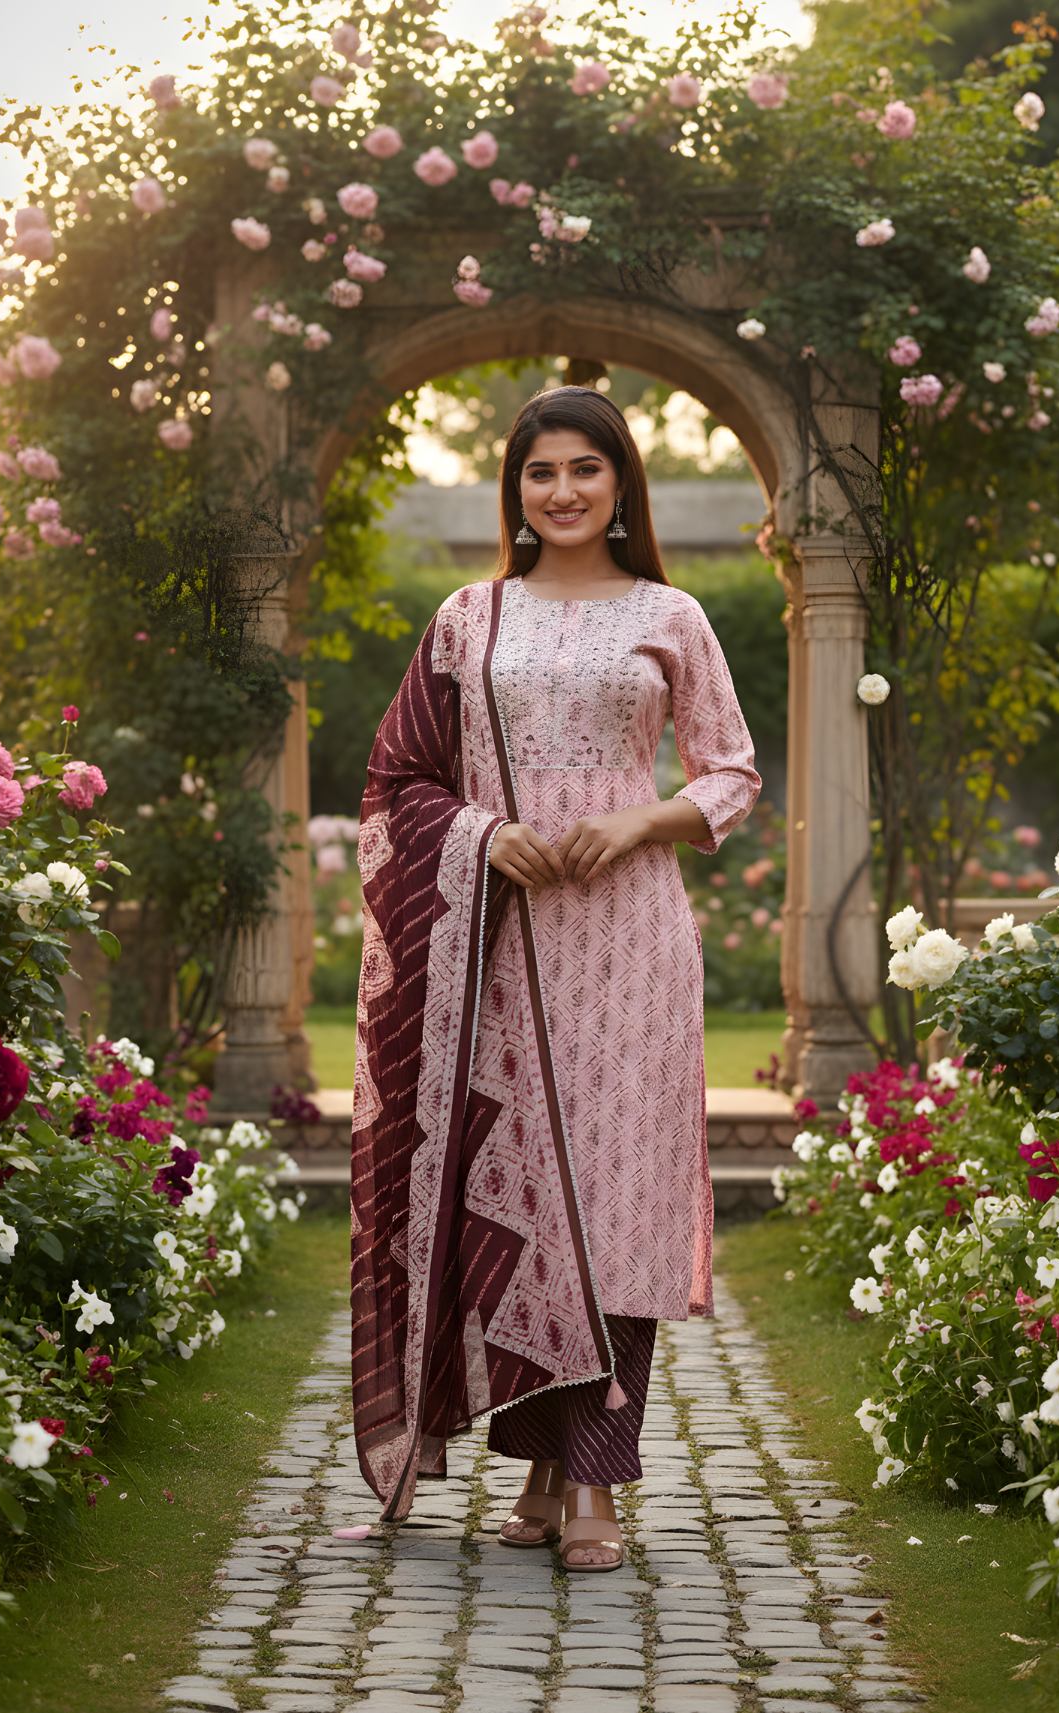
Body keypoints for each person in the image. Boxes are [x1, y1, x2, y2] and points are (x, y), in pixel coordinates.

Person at [350, 384, 759, 1570]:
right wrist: (483, 835)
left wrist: (637, 826)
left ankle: (588, 1488)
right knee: (529, 1197)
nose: (564, 491)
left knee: (616, 1204)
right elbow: (397, 782)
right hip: (499, 943)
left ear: (620, 483)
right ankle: (537, 1472)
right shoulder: (468, 617)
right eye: (541, 473)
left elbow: (728, 772)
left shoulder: (671, 614)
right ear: (514, 492)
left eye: (587, 469)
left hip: (632, 945)